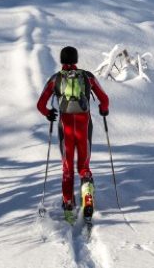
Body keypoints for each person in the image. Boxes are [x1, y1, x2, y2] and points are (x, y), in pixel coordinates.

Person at [37, 46, 110, 222]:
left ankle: (68, 206)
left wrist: (49, 113)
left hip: (66, 126)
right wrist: (103, 110)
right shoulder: (87, 77)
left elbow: (40, 104)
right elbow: (105, 99)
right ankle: (87, 196)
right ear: (76, 59)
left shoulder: (56, 79)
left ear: (61, 60)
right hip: (84, 126)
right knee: (84, 166)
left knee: (67, 168)